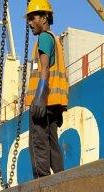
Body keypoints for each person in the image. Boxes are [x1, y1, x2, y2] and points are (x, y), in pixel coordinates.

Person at [25, 0, 69, 178]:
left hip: (42, 102)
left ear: (44, 18)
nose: (29, 23)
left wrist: (39, 98)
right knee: (52, 143)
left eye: (32, 18)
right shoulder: (55, 40)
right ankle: (60, 178)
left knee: (38, 143)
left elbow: (44, 68)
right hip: (53, 103)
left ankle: (41, 183)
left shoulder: (43, 37)